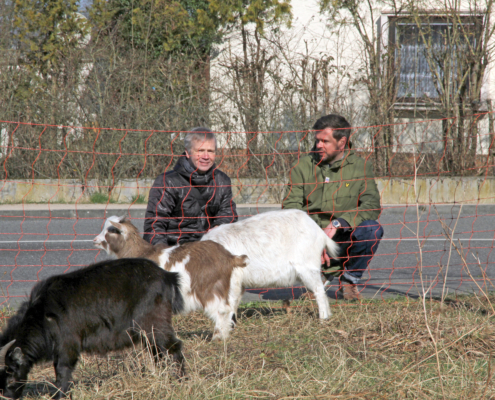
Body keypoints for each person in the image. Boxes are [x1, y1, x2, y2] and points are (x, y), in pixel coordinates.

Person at [282, 114, 383, 300]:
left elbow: (372, 206)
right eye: (317, 140)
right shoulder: (302, 166)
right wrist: (314, 237)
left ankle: (349, 281)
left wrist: (339, 223)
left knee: (371, 229)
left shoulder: (360, 167)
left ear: (342, 142)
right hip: (310, 237)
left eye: (325, 141)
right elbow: (290, 207)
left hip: (343, 236)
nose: (319, 145)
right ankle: (316, 279)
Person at [144, 127, 238, 245]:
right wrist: (163, 254)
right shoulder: (167, 182)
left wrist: (219, 228)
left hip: (210, 248)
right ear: (188, 153)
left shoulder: (222, 180)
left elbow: (228, 215)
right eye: (200, 150)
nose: (205, 156)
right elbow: (154, 226)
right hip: (176, 251)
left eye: (210, 151)